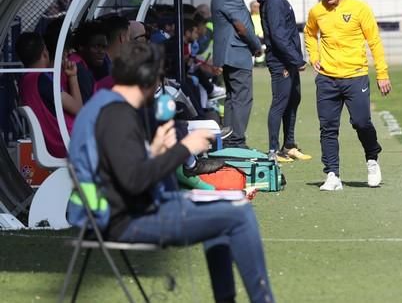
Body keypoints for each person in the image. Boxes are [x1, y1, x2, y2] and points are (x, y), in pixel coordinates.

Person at [73, 41, 274, 303]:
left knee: (228, 205)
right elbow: (134, 181)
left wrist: (155, 151)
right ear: (147, 78)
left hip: (117, 212)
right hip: (122, 221)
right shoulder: (116, 117)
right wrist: (183, 149)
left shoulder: (106, 106)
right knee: (239, 214)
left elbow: (123, 170)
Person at [304, 0, 391, 191]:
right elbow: (310, 33)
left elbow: (375, 42)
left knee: (361, 123)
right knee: (328, 128)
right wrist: (313, 55)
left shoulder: (360, 9)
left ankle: (372, 158)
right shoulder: (316, 12)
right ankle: (332, 174)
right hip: (327, 79)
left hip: (356, 77)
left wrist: (382, 73)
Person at [257, 0, 311, 164]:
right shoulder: (275, 1)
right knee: (280, 103)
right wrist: (296, 59)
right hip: (281, 61)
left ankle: (289, 145)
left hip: (288, 60)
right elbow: (279, 36)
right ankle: (273, 150)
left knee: (293, 99)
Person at [211, 0, 262, 148]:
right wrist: (256, 45)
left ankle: (230, 138)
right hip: (236, 54)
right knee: (242, 98)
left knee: (233, 98)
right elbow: (241, 26)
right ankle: (237, 140)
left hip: (230, 54)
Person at [16, 32, 83, 158]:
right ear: (45, 53)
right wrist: (73, 76)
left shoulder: (24, 81)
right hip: (68, 142)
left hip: (53, 145)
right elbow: (78, 108)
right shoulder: (42, 79)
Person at [249, 0, 266, 66]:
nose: (257, 8)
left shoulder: (263, 17)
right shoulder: (249, 17)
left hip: (263, 38)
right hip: (253, 38)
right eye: (255, 7)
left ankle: (261, 64)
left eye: (258, 7)